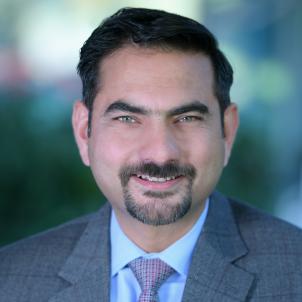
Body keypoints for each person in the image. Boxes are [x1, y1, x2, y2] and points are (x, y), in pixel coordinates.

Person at [0, 7, 301, 302]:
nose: (160, 153)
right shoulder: (10, 280)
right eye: (128, 119)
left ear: (227, 131)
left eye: (187, 118)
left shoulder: (294, 274)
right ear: (83, 132)